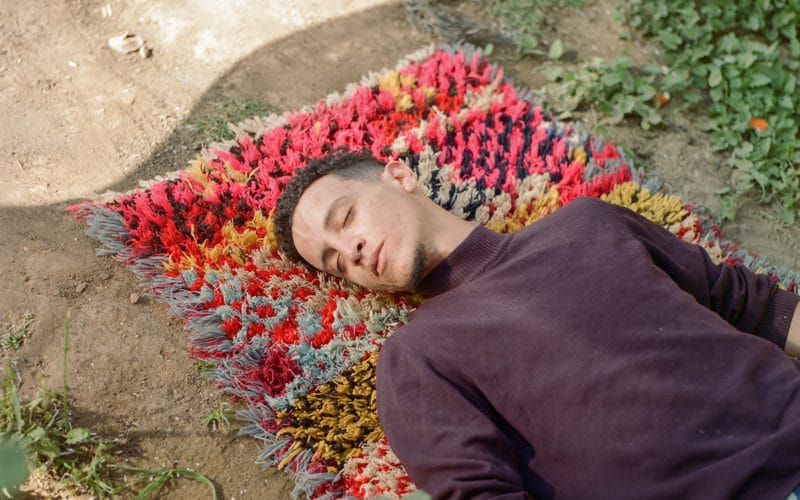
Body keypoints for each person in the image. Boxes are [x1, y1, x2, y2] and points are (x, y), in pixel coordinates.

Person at [274, 150, 800, 500]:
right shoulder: (415, 358)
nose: (351, 251)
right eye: (335, 262)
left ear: (399, 176)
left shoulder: (588, 223)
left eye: (346, 218)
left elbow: (754, 305)